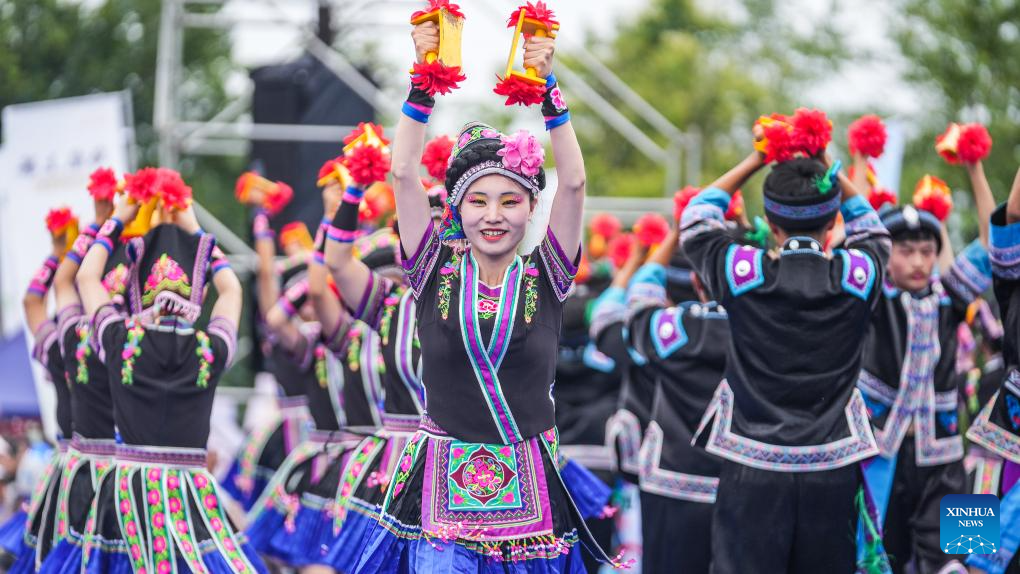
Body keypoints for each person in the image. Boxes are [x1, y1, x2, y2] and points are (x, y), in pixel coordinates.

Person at [354, 17, 620, 572]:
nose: (493, 216)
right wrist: (423, 83)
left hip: (530, 491)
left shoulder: (547, 277)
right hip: (438, 492)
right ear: (456, 210)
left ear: (530, 210)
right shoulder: (431, 272)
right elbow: (402, 171)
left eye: (510, 201)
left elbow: (572, 182)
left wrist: (548, 89)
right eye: (477, 201)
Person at [681, 146, 890, 572]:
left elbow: (696, 218)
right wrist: (827, 163)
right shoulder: (857, 275)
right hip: (834, 465)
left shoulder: (743, 272)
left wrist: (758, 157)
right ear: (834, 223)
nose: (920, 259)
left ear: (770, 223)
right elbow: (875, 233)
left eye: (928, 248)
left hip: (754, 467)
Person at [76, 192, 266, 574]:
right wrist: (194, 229)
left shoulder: (120, 340)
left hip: (129, 496)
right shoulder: (208, 350)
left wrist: (116, 219)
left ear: (136, 290)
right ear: (199, 295)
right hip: (190, 494)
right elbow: (233, 289)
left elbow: (86, 277)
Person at [858, 152, 994, 573]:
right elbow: (855, 233)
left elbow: (995, 241)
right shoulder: (871, 297)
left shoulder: (950, 298)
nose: (918, 261)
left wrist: (974, 169)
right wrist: (861, 160)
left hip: (947, 455)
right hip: (879, 453)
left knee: (969, 555)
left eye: (926, 250)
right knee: (874, 558)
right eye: (905, 250)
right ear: (886, 254)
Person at [625, 222, 729, 573]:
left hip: (671, 479)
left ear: (698, 283)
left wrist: (672, 233)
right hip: (744, 481)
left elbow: (638, 298)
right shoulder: (765, 327)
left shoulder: (673, 326)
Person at [5, 214, 78, 573]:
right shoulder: (121, 344)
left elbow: (33, 301)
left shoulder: (61, 347)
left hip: (69, 473)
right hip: (117, 473)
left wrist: (57, 254)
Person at [966, 167, 1020, 574]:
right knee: (969, 559)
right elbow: (1011, 214)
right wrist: (975, 167)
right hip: (996, 434)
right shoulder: (1011, 275)